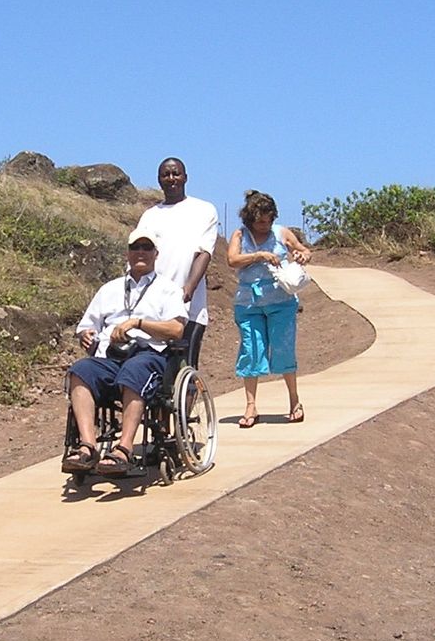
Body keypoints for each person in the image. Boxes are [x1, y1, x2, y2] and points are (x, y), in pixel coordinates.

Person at [63, 234, 188, 474]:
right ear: (127, 253)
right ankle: (88, 446)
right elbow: (86, 326)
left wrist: (139, 323)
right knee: (80, 370)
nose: (141, 252)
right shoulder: (109, 289)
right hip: (109, 356)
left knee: (135, 370)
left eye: (146, 247)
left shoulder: (168, 289)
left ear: (156, 254)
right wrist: (85, 335)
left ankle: (124, 449)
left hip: (149, 354)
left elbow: (176, 329)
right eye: (135, 247)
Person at [224, 189, 312, 427]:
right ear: (249, 218)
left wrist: (303, 256)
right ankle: (251, 406)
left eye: (268, 220)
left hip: (281, 300)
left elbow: (303, 250)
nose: (264, 225)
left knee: (283, 349)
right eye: (259, 221)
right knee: (251, 350)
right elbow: (232, 260)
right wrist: (259, 256)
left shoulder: (282, 232)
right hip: (248, 302)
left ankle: (294, 401)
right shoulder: (240, 235)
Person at [130, 157, 220, 366]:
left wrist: (188, 289)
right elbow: (138, 257)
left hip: (189, 307)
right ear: (159, 180)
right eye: (165, 175)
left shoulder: (204, 210)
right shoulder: (150, 216)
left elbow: (204, 252)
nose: (171, 178)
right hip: (153, 307)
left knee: (185, 368)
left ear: (185, 177)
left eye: (176, 173)